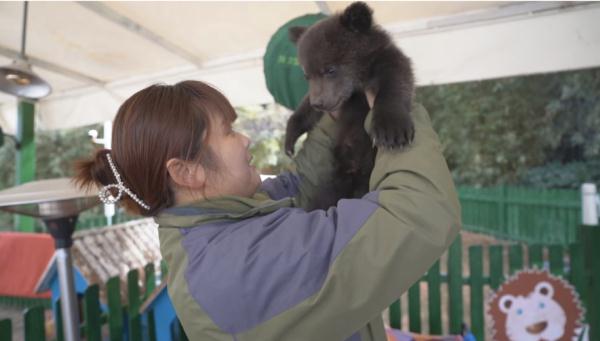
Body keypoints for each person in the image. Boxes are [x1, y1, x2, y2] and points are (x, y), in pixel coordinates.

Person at [75, 80, 461, 341]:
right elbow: (417, 211)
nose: (244, 139)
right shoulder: (237, 265)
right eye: (227, 131)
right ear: (187, 171)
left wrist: (336, 107)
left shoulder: (232, 219)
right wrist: (391, 103)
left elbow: (305, 186)